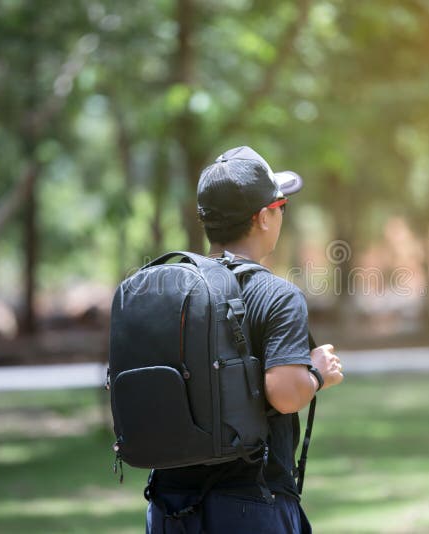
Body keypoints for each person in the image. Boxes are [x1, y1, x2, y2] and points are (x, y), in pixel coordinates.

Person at [145, 146, 345, 533]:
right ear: (262, 218)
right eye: (281, 206)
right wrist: (319, 373)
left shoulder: (163, 291)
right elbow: (285, 393)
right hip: (251, 503)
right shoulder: (275, 295)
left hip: (169, 505)